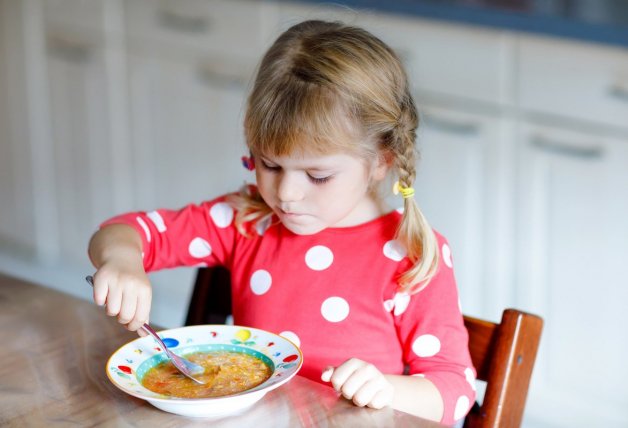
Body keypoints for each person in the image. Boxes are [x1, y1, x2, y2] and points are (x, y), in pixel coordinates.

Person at [87, 20, 476, 425]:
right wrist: (123, 260)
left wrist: (386, 389)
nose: (286, 193)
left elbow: (454, 391)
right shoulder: (247, 219)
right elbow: (126, 231)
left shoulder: (409, 254)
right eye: (269, 165)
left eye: (317, 175)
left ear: (382, 160)